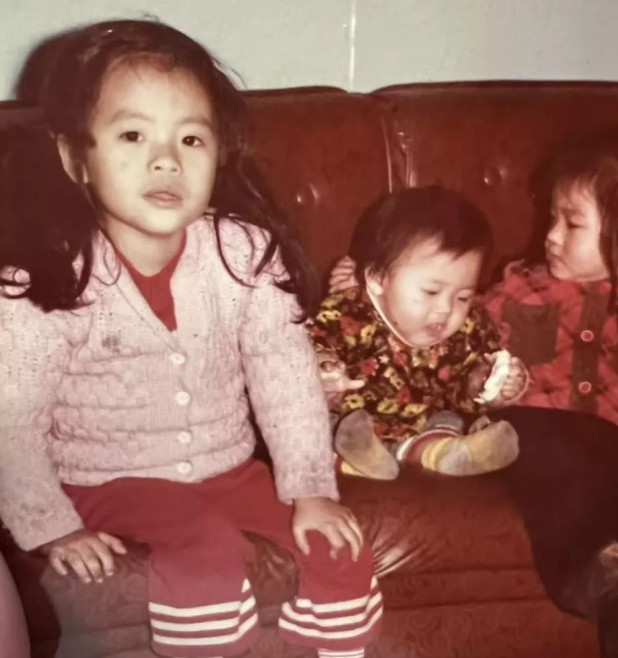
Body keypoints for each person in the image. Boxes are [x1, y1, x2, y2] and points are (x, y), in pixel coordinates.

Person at [0, 19, 381, 658]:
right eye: (132, 135)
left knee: (339, 549)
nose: (166, 159)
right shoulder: (44, 279)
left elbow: (286, 378)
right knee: (205, 558)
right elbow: (10, 419)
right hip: (105, 481)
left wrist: (311, 490)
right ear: (75, 159)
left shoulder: (243, 255)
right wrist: (50, 526)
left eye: (191, 138)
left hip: (227, 470)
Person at [327, 136, 618, 657]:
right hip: (542, 439)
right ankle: (607, 581)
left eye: (572, 224)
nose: (550, 235)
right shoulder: (518, 290)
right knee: (543, 450)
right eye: (551, 217)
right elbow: (441, 340)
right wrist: (366, 296)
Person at [308, 186, 527, 480]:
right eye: (431, 291)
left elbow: (472, 376)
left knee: (448, 421)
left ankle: (445, 454)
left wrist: (487, 383)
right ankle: (354, 459)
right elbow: (312, 344)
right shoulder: (348, 314)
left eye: (463, 296)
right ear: (377, 279)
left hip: (422, 424)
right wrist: (323, 370)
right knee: (319, 429)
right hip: (350, 423)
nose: (446, 309)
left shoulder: (470, 326)